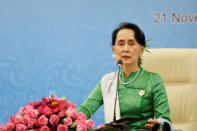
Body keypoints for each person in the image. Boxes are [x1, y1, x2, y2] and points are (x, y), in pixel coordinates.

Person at [77, 22, 174, 131]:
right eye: (121, 44)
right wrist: (65, 119)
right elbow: (85, 110)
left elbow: (164, 119)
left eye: (131, 43)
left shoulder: (153, 80)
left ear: (141, 50)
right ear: (114, 49)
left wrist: (158, 126)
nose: (125, 49)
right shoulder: (108, 81)